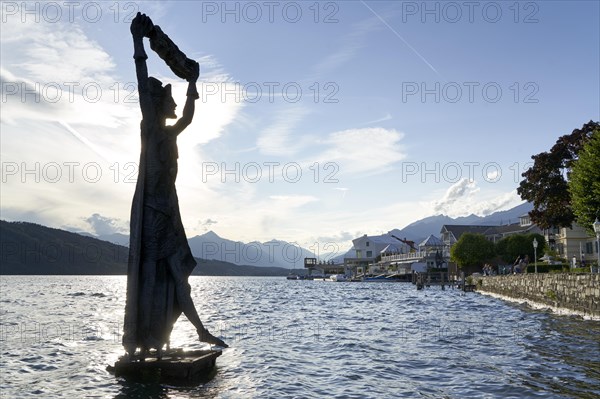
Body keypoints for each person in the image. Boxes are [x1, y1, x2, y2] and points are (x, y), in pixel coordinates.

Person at [122, 13, 227, 358]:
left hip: (168, 216)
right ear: (157, 105)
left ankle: (193, 332)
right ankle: (147, 340)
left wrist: (194, 84)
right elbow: (141, 81)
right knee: (155, 275)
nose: (174, 100)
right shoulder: (152, 128)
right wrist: (138, 42)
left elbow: (188, 117)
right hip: (154, 216)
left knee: (178, 277)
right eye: (169, 96)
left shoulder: (169, 133)